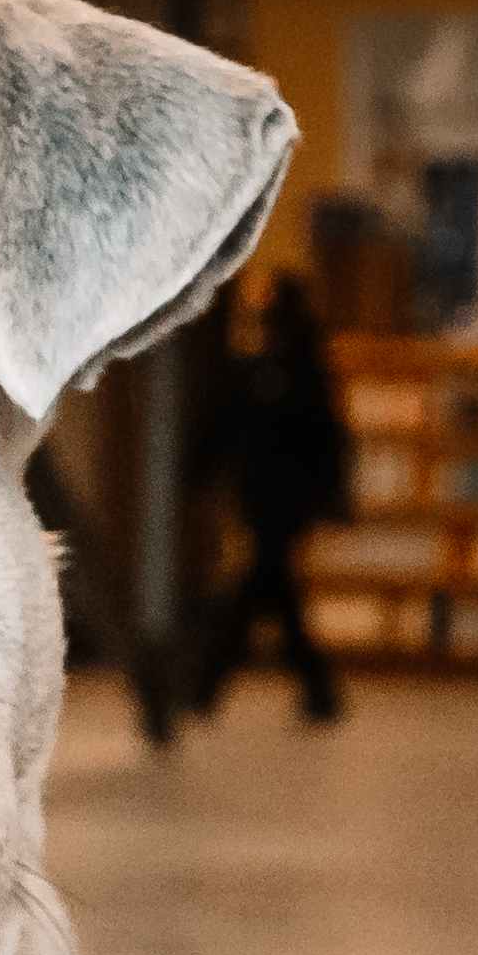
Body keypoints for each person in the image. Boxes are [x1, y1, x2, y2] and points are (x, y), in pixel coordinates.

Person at [192, 271, 346, 723]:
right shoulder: (253, 371)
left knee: (260, 582)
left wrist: (332, 494)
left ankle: (207, 685)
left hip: (288, 500)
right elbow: (223, 426)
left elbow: (328, 441)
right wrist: (202, 468)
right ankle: (317, 690)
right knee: (272, 585)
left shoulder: (305, 374)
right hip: (257, 496)